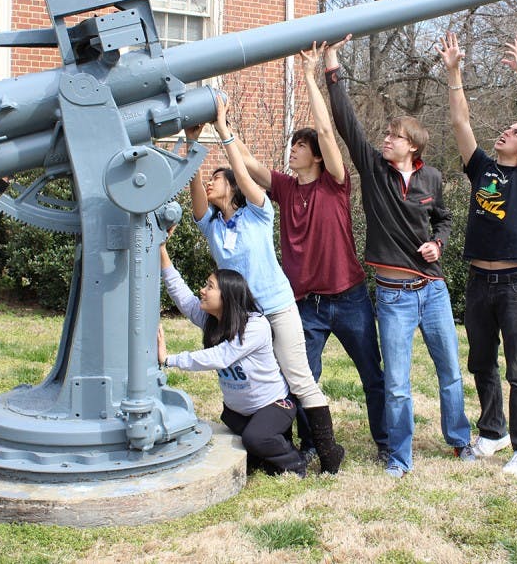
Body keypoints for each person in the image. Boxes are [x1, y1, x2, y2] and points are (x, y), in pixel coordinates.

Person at [323, 36, 474, 479]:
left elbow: (444, 220)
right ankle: (399, 457)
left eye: (394, 136)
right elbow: (347, 123)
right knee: (397, 386)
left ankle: (459, 441)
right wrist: (333, 65)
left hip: (433, 291)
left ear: (414, 146)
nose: (385, 140)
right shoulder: (374, 171)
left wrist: (439, 243)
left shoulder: (432, 178)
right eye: (386, 135)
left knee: (449, 373)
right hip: (392, 298)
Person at [236, 42, 387, 464]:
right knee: (301, 377)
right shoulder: (285, 188)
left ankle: (385, 443)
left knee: (372, 376)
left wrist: (308, 75)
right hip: (305, 304)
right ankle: (308, 445)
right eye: (293, 147)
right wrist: (222, 123)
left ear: (317, 156)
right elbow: (246, 163)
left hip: (350, 297)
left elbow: (326, 131)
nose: (293, 151)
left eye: (299, 147)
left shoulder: (334, 183)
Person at [185, 95, 345, 473]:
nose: (210, 183)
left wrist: (224, 131)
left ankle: (329, 452)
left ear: (233, 190)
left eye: (215, 179)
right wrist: (192, 145)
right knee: (264, 382)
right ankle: (277, 446)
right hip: (245, 316)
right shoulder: (212, 226)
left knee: (298, 378)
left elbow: (246, 175)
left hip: (277, 307)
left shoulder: (258, 212)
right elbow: (195, 198)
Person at [437, 32, 517, 477]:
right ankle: (492, 432)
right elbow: (461, 124)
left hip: (516, 283)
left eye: (515, 132)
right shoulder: (482, 167)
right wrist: (454, 72)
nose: (508, 132)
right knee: (481, 361)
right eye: (509, 128)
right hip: (479, 282)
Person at [157, 259, 306, 477]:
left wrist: (170, 359)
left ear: (227, 296)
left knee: (255, 439)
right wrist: (162, 254)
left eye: (210, 286)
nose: (202, 290)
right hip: (237, 413)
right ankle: (270, 445)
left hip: (273, 405)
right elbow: (181, 294)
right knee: (250, 448)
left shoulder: (255, 325)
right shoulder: (212, 320)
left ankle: (295, 462)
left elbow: (221, 356)